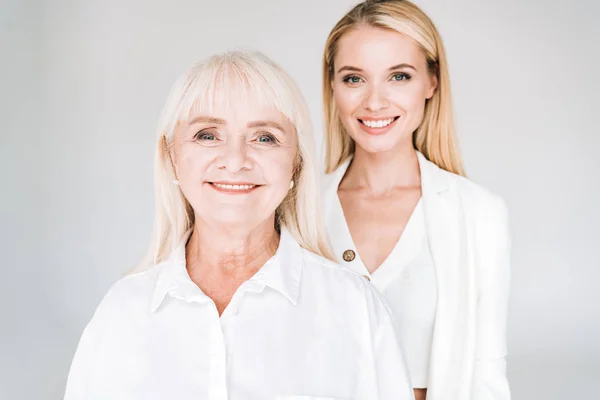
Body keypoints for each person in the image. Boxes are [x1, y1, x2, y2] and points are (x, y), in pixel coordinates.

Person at [64, 50, 414, 400]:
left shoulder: (355, 308)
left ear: (295, 165)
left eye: (265, 138)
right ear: (171, 156)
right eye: (207, 135)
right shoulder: (122, 312)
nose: (235, 161)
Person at [321, 1, 511, 399]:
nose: (374, 102)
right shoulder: (297, 210)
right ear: (333, 86)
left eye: (399, 76)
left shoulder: (478, 214)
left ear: (431, 82)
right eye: (354, 78)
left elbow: (487, 372)